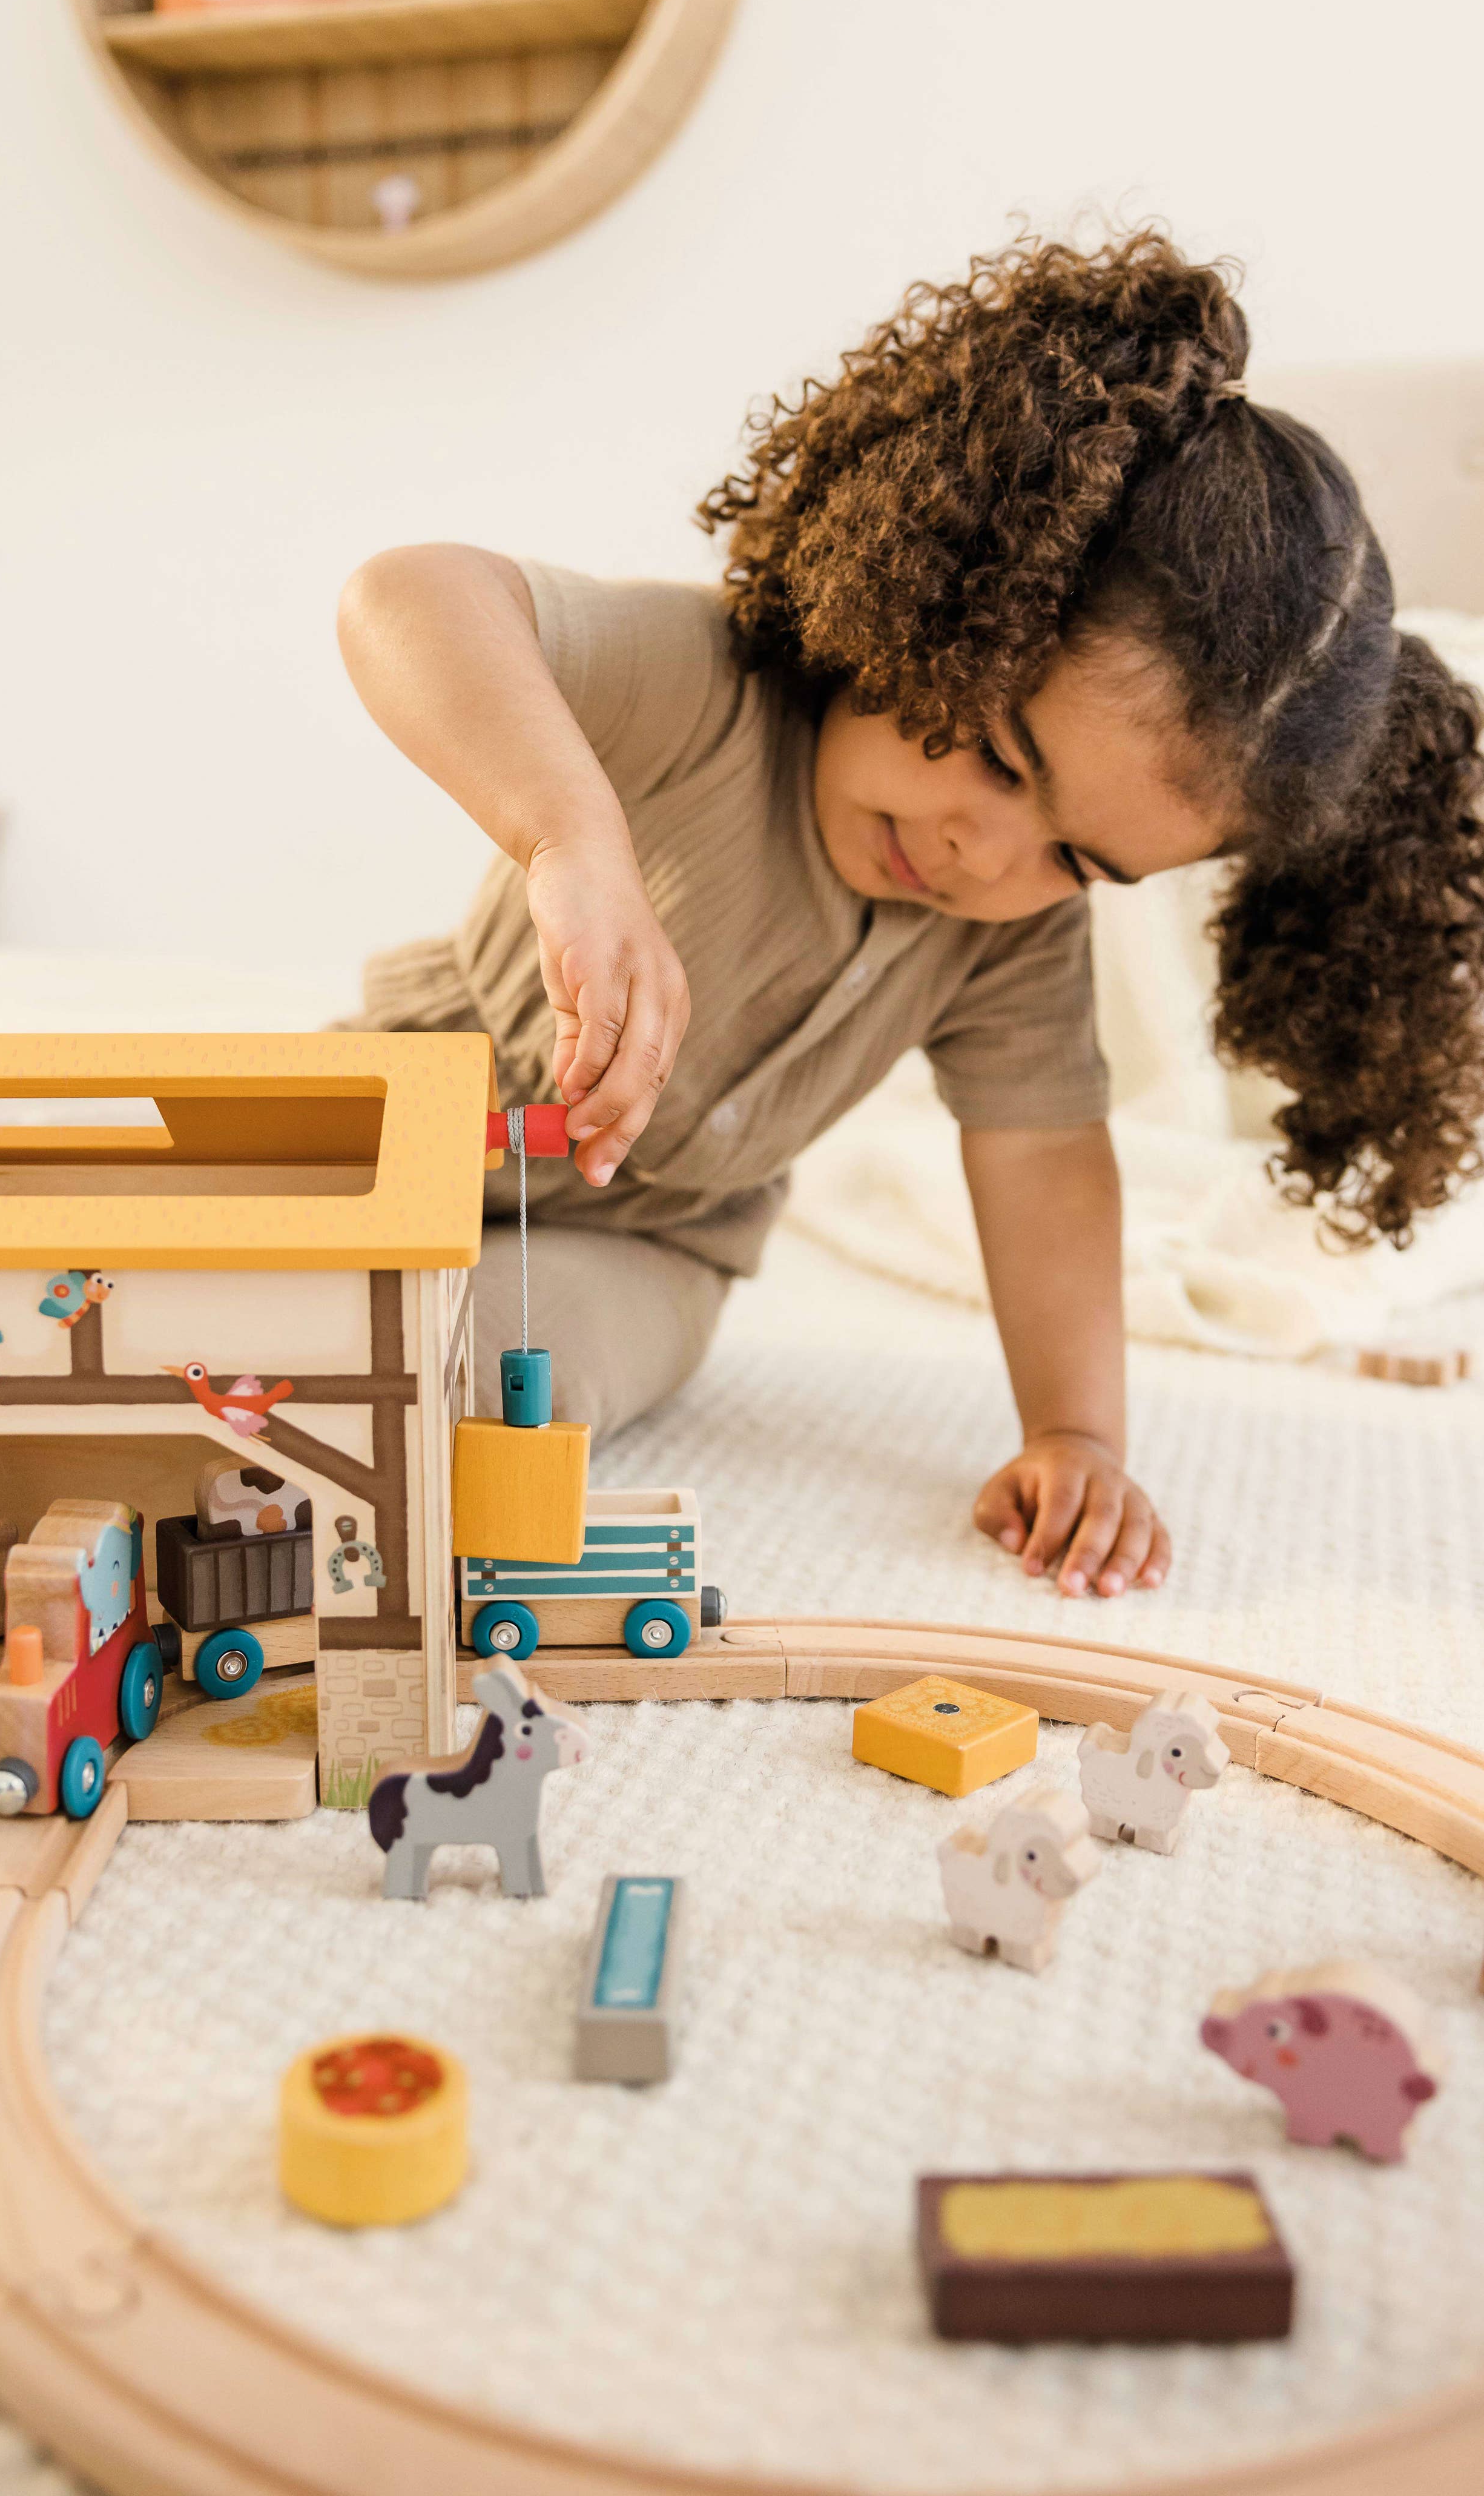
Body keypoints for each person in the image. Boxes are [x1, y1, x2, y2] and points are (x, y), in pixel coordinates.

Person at [337, 231, 1484, 1599]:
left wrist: (1076, 1431)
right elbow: (410, 596)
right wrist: (567, 837)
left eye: (1082, 862)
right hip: (389, 1119)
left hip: (645, 1243)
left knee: (463, 1403)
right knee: (170, 1283)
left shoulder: (1008, 941)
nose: (985, 855)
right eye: (1000, 756)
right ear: (948, 599)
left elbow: (1046, 1164)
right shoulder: (708, 685)